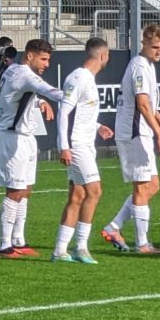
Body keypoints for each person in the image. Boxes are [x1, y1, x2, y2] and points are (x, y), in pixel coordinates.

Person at [0, 37, 68, 259]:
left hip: (24, 137)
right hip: (13, 138)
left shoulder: (13, 70)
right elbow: (52, 92)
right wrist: (77, 96)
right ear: (30, 56)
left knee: (25, 190)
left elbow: (17, 95)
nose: (47, 64)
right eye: (43, 59)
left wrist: (39, 102)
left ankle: (19, 240)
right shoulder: (25, 74)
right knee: (15, 191)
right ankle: (4, 245)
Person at [101, 25, 160, 255]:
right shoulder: (139, 66)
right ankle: (142, 244)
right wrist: (159, 134)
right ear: (143, 44)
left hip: (141, 131)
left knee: (152, 185)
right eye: (155, 47)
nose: (159, 51)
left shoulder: (148, 65)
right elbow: (141, 104)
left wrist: (159, 119)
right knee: (142, 186)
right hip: (133, 132)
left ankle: (114, 227)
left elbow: (148, 102)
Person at [51, 38, 114, 264]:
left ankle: (59, 250)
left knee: (77, 195)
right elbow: (63, 113)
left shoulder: (88, 79)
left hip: (86, 143)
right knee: (94, 191)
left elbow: (81, 114)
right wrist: (64, 147)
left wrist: (98, 127)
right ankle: (81, 246)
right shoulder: (78, 78)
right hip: (77, 146)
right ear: (103, 56)